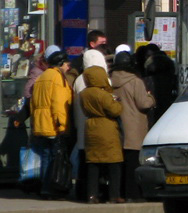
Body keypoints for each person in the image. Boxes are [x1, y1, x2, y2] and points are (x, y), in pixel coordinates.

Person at [110, 52, 155, 201]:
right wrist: (151, 98)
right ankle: (133, 195)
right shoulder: (136, 81)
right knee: (133, 164)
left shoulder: (110, 80)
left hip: (117, 125)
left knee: (119, 164)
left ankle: (120, 193)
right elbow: (143, 103)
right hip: (134, 126)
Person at [30, 50, 72, 197]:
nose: (68, 67)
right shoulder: (57, 77)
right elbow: (58, 104)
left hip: (41, 123)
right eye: (67, 64)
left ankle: (44, 187)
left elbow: (33, 103)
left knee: (46, 156)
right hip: (52, 124)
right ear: (60, 64)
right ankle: (51, 187)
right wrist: (62, 125)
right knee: (55, 158)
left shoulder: (42, 77)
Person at [79, 65, 124, 203]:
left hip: (91, 127)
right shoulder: (103, 94)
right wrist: (117, 102)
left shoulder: (84, 94)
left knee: (93, 164)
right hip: (106, 127)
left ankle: (92, 195)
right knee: (114, 163)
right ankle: (114, 195)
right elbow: (115, 111)